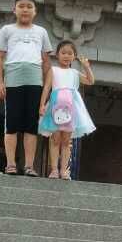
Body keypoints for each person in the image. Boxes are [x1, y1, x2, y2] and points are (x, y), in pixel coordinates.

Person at [0, 0, 52, 176]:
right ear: (14, 10)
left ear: (35, 11)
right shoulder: (6, 30)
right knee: (11, 124)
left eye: (29, 6)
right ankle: (10, 164)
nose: (25, 10)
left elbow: (46, 63)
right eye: (21, 6)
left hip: (35, 81)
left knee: (31, 126)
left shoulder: (41, 32)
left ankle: (29, 166)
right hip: (13, 80)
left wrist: (47, 90)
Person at [38, 40, 95, 179]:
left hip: (71, 109)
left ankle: (64, 170)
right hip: (55, 106)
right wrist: (42, 105)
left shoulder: (75, 73)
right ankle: (54, 170)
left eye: (70, 53)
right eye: (63, 53)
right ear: (57, 55)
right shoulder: (53, 70)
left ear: (74, 56)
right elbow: (47, 87)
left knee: (66, 141)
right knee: (55, 139)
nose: (66, 56)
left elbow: (90, 81)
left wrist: (86, 67)